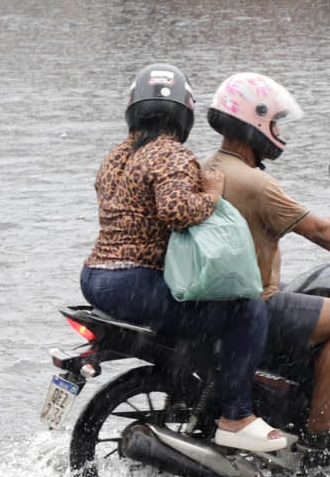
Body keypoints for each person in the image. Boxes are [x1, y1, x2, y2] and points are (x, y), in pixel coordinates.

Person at [80, 65, 289, 456]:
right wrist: (212, 194)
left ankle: (194, 391)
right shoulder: (171, 155)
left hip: (95, 278)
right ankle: (236, 417)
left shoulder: (116, 156)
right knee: (247, 311)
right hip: (134, 283)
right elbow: (177, 211)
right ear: (184, 114)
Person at [202, 72, 330, 460]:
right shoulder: (256, 183)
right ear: (254, 123)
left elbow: (262, 229)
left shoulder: (212, 167)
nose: (279, 132)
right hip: (250, 304)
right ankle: (320, 435)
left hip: (217, 300)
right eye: (275, 123)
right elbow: (319, 233)